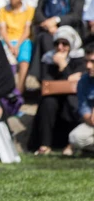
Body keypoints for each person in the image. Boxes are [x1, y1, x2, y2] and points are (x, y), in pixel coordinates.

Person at [26, 0, 85, 87]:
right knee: (44, 39)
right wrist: (48, 24)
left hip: (70, 30)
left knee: (60, 41)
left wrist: (57, 21)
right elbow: (38, 14)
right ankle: (40, 77)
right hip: (48, 30)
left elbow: (76, 15)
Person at [29, 26, 85, 155]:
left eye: (65, 43)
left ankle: (71, 145)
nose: (60, 47)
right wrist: (68, 77)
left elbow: (78, 83)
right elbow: (47, 83)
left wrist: (63, 65)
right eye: (57, 43)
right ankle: (45, 144)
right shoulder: (48, 58)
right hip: (54, 99)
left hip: (72, 98)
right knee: (48, 102)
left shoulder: (80, 58)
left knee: (72, 101)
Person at [0, 0, 35, 95]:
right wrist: (10, 46)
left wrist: (17, 46)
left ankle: (19, 92)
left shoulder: (29, 10)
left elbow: (27, 31)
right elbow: (3, 31)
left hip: (22, 41)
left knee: (24, 62)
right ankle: (8, 91)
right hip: (7, 41)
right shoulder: (2, 11)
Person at [68, 44, 94, 153]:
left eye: (92, 62)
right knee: (75, 137)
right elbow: (84, 110)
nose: (88, 66)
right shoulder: (83, 81)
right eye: (86, 61)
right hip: (92, 123)